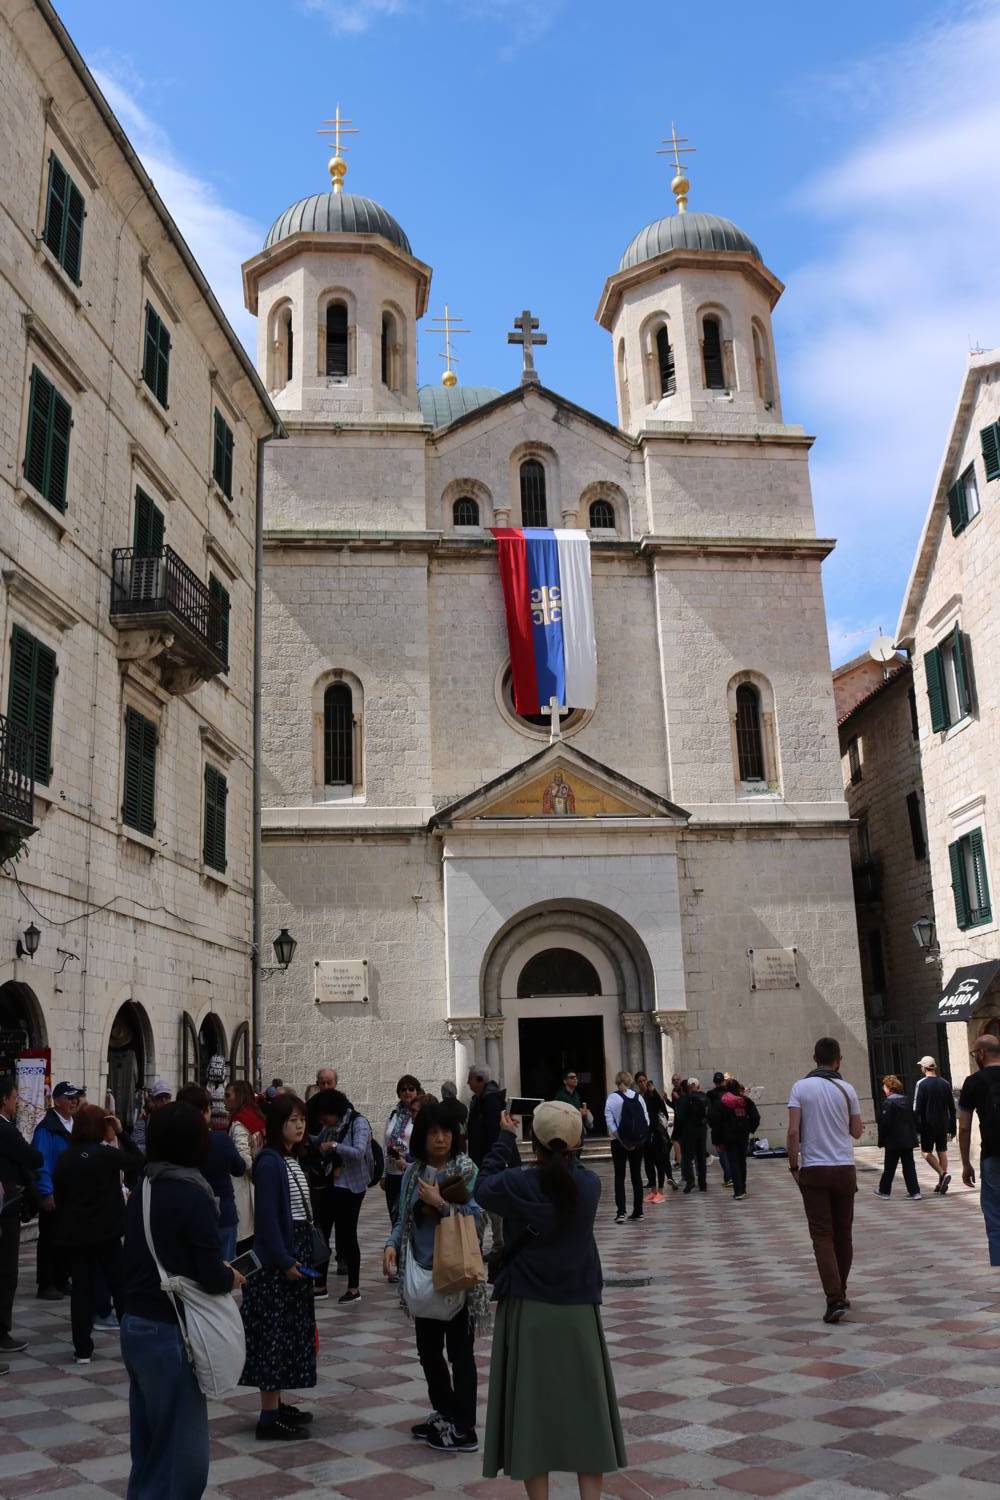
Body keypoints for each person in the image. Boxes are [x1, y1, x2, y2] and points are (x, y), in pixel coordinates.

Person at [476, 1100, 626, 1496]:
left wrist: (504, 1139)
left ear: (534, 1141)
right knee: (586, 1412)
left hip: (529, 1309)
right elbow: (565, 1172)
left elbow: (481, 1186)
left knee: (532, 1413)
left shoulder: (516, 1183)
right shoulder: (590, 1185)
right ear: (576, 1145)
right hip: (577, 1309)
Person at [120, 1102, 244, 1494]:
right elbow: (209, 1275)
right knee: (181, 1458)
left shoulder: (146, 1184)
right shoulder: (191, 1195)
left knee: (150, 1445)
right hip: (169, 1332)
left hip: (135, 1323)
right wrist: (231, 1277)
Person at [383, 1099, 488, 1453]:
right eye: (433, 1133)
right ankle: (444, 1411)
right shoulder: (413, 1173)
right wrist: (391, 1245)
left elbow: (478, 1219)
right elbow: (401, 1219)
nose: (440, 1139)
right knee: (428, 1351)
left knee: (460, 1352)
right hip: (420, 1273)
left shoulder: (465, 1169)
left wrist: (442, 1204)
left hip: (456, 1273)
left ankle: (465, 1428)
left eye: (446, 1132)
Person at [242, 1093, 318, 1439]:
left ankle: (277, 1403)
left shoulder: (288, 1158)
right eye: (292, 1120)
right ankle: (268, 1418)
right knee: (273, 1335)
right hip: (278, 1261)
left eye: (302, 1118)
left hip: (294, 1250)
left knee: (288, 1333)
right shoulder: (271, 1162)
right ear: (277, 1124)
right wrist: (286, 1260)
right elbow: (268, 1220)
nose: (299, 1125)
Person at [53, 1103, 143, 1364]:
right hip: (108, 1233)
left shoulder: (66, 1158)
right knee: (119, 1286)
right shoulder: (105, 1155)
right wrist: (122, 1133)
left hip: (77, 1234)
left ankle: (82, 1349)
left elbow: (60, 1194)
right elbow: (137, 1161)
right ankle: (133, 1340)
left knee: (81, 1290)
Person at [787, 1036, 863, 1324]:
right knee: (843, 1233)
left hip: (816, 1169)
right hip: (844, 1168)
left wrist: (794, 1165)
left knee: (822, 1235)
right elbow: (856, 1132)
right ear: (838, 1060)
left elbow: (794, 1133)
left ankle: (834, 1299)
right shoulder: (847, 1089)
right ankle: (841, 1289)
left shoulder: (800, 1088)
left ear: (813, 1058)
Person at [306, 1087, 372, 1305]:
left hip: (352, 1187)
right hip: (330, 1185)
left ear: (335, 1110)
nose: (323, 1120)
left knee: (347, 1235)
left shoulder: (357, 1122)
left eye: (325, 1115)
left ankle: (354, 1288)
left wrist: (334, 1145)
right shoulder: (331, 1127)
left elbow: (359, 1152)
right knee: (323, 1232)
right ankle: (320, 1284)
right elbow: (317, 1142)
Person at [0, 1075, 43, 1362]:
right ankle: (2, 1330)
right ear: (4, 1099)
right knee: (6, 1270)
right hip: (6, 1208)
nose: (17, 1102)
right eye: (15, 1097)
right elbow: (32, 1158)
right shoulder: (5, 1130)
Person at [177, 1084, 247, 1261]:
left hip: (187, 1214)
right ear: (205, 1111)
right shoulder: (220, 1140)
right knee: (224, 1270)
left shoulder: (175, 1144)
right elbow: (239, 1168)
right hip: (222, 1213)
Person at [32, 1080, 84, 1299]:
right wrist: (46, 1191)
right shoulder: (47, 1129)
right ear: (57, 1101)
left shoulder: (76, 1125)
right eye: (69, 1098)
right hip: (54, 1192)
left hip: (72, 1193)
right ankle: (47, 1283)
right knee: (49, 1239)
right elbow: (41, 1161)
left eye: (76, 1098)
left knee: (67, 1238)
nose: (74, 1102)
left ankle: (62, 1279)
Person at [958, 1033, 1000, 1264]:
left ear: (982, 1054)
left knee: (995, 1213)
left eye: (975, 1054)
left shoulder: (973, 1082)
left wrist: (966, 1163)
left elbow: (964, 1127)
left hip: (993, 1154)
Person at [468, 1064, 507, 1268]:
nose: (467, 1083)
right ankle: (480, 1244)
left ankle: (497, 1244)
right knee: (482, 1204)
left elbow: (493, 1134)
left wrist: (492, 1162)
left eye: (471, 1079)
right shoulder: (481, 1099)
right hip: (481, 1161)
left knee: (490, 1205)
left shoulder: (490, 1101)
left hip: (488, 1162)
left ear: (480, 1080)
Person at [604, 1071, 649, 1223]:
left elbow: (610, 1123)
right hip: (637, 1141)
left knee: (619, 1176)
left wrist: (622, 1141)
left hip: (618, 1142)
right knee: (636, 1176)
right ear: (630, 1081)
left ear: (617, 1081)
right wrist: (637, 1140)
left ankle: (621, 1212)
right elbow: (646, 1120)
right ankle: (638, 1211)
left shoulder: (612, 1098)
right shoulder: (638, 1097)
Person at [226, 1079, 266, 1250]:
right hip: (255, 1180)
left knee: (244, 1234)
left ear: (239, 1097)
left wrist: (251, 1172)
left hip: (243, 1182)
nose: (225, 1100)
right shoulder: (256, 1116)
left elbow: (243, 1155)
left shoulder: (239, 1123)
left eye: (228, 1096)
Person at [872, 1074, 921, 1200]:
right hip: (907, 1139)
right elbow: (914, 1119)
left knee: (889, 1167)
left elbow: (884, 1124)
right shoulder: (907, 1101)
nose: (884, 1089)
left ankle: (884, 1191)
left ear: (889, 1088)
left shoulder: (887, 1103)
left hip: (893, 1141)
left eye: (884, 1087)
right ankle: (915, 1192)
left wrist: (881, 1141)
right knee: (909, 1166)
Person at [384, 1075, 422, 1229]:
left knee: (408, 1217)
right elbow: (385, 1141)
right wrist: (383, 1174)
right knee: (394, 1216)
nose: (407, 1092)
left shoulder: (420, 1115)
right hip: (393, 1173)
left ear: (417, 1091)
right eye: (403, 1089)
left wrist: (404, 1157)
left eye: (411, 1089)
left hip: (410, 1171)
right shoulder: (394, 1115)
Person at [914, 1056, 956, 1194]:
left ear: (924, 1068)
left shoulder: (921, 1083)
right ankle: (941, 1183)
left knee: (926, 1152)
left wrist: (916, 1126)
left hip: (928, 1123)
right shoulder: (945, 1083)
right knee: (942, 1150)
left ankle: (943, 1174)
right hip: (943, 1122)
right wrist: (953, 1126)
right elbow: (952, 1107)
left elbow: (917, 1107)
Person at [715, 1080, 759, 1201]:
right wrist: (750, 1128)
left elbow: (717, 1123)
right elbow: (755, 1117)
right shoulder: (745, 1101)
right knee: (742, 1161)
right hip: (743, 1135)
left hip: (728, 1136)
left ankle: (738, 1191)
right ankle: (743, 1188)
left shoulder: (722, 1102)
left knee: (733, 1162)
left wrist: (718, 1140)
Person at [634, 1073, 673, 1201]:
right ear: (636, 1083)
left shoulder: (653, 1095)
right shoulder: (638, 1097)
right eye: (639, 1081)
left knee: (659, 1161)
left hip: (656, 1133)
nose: (642, 1083)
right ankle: (653, 1190)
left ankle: (660, 1191)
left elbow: (663, 1108)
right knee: (648, 1163)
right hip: (644, 1134)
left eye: (644, 1080)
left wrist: (654, 1091)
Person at [673, 1078, 709, 1194]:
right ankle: (703, 1184)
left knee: (687, 1157)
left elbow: (680, 1118)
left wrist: (678, 1133)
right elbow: (710, 1112)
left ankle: (690, 1181)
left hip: (688, 1131)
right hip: (702, 1130)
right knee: (701, 1156)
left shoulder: (683, 1099)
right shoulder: (704, 1097)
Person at [705, 1072, 732, 1186]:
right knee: (730, 1153)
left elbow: (708, 1112)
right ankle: (731, 1176)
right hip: (729, 1127)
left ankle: (728, 1177)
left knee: (722, 1153)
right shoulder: (729, 1093)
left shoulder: (710, 1094)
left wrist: (711, 1124)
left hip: (717, 1128)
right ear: (723, 1081)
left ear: (714, 1082)